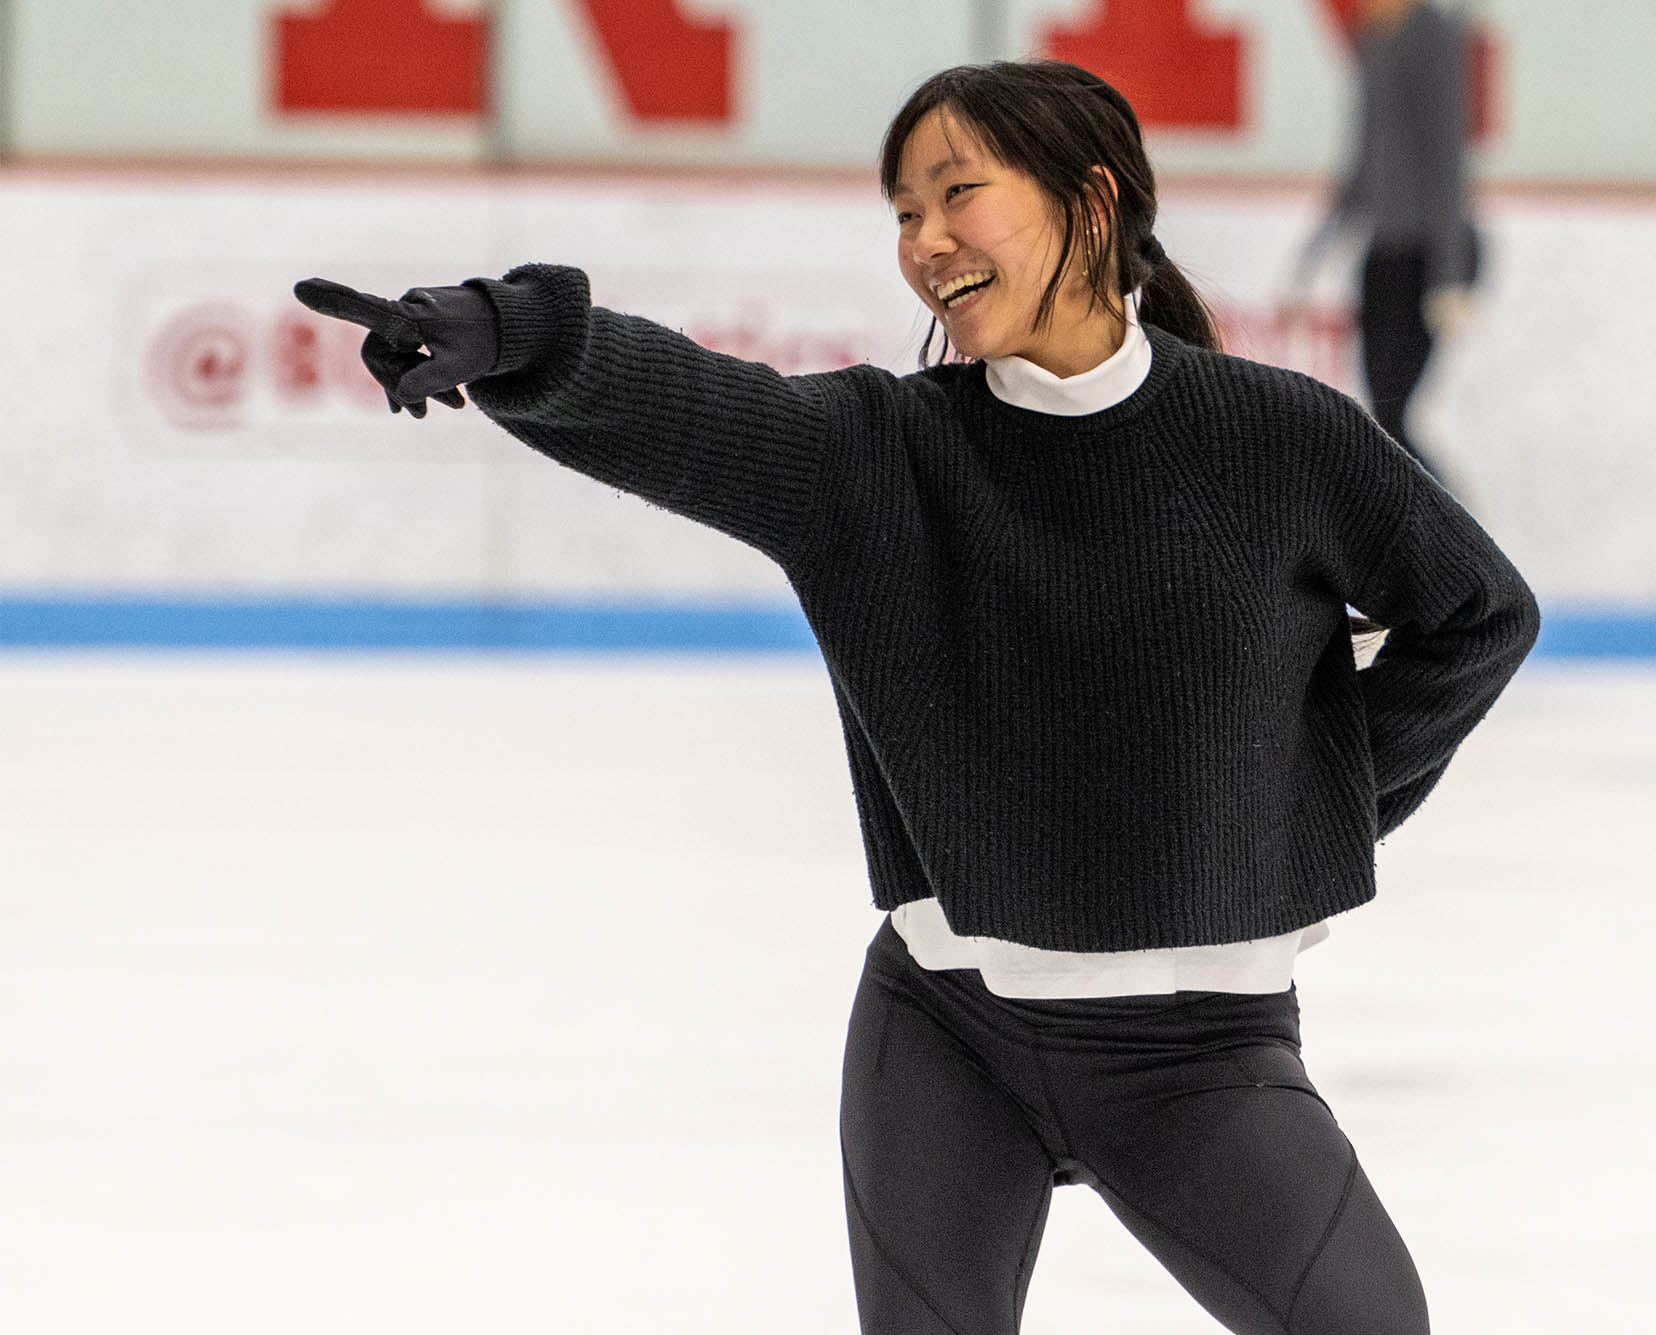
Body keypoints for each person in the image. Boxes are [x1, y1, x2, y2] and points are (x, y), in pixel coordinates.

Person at [295, 58, 1537, 1335]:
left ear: (1090, 202)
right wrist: (516, 333)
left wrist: (1279, 816)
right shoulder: (881, 452)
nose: (925, 242)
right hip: (944, 1036)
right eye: (900, 212)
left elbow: (1479, 614)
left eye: (957, 195)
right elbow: (699, 413)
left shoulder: (1280, 438)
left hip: (1199, 1059)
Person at [1287, 0, 1479, 487]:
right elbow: (1362, 161)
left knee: (1395, 419)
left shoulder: (1430, 34)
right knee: (1382, 419)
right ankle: (1432, 536)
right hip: (1386, 253)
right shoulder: (1374, 42)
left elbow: (1446, 157)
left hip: (1427, 254)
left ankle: (1454, 533)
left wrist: (1448, 274)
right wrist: (1310, 259)